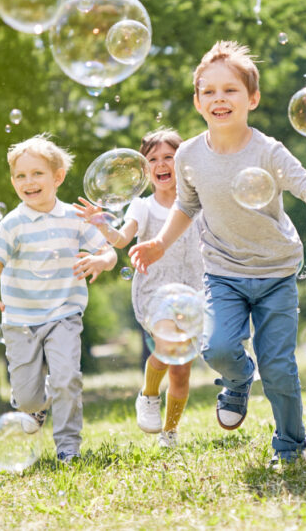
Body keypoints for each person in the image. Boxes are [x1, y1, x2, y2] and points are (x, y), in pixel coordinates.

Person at [129, 41, 306, 465]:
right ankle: (237, 381)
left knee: (278, 368)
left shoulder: (268, 151)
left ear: (251, 98)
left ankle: (290, 446)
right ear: (198, 102)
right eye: (209, 91)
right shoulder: (188, 155)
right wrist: (160, 242)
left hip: (275, 272)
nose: (220, 98)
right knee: (216, 349)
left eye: (230, 90)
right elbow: (186, 205)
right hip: (222, 273)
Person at [0, 134, 118, 464]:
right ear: (13, 181)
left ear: (57, 177)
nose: (28, 182)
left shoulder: (74, 217)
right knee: (27, 398)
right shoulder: (11, 225)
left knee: (67, 378)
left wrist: (102, 260)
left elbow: (108, 251)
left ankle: (68, 447)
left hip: (63, 314)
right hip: (20, 321)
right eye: (20, 176)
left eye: (37, 173)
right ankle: (35, 408)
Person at [74, 128, 203, 449]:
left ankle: (170, 432)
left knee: (182, 371)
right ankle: (148, 395)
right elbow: (121, 239)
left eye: (169, 157)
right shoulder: (142, 207)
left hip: (195, 292)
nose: (161, 164)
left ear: (182, 161)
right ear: (145, 170)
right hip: (155, 291)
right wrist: (102, 224)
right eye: (153, 159)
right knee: (166, 348)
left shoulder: (199, 200)